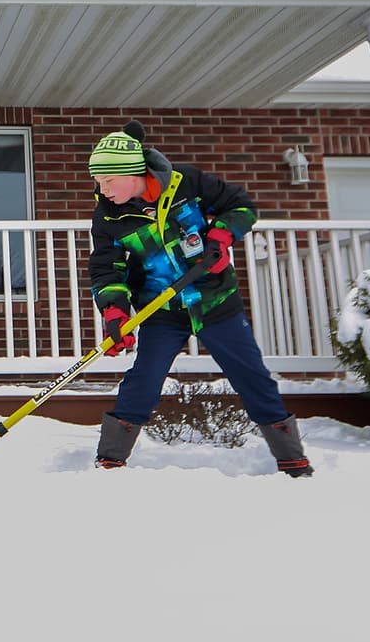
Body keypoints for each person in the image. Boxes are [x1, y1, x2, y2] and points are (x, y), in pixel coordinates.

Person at [86, 120, 313, 477]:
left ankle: (292, 460)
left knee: (251, 375)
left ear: (133, 173)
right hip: (161, 307)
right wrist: (115, 311)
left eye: (108, 180)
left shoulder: (185, 182)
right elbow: (105, 269)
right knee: (143, 379)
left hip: (214, 300)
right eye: (97, 181)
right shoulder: (108, 215)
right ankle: (111, 459)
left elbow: (240, 206)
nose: (101, 189)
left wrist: (220, 238)